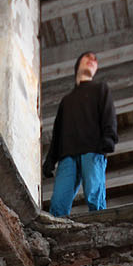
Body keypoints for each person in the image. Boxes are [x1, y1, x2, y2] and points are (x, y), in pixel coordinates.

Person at [42, 51, 118, 217]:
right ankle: (57, 239)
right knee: (58, 203)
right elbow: (57, 133)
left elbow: (108, 114)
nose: (92, 60)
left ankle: (101, 230)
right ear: (78, 64)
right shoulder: (66, 101)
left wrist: (109, 138)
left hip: (92, 150)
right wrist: (50, 160)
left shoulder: (100, 89)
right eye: (88, 57)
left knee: (94, 196)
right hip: (67, 156)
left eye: (95, 59)